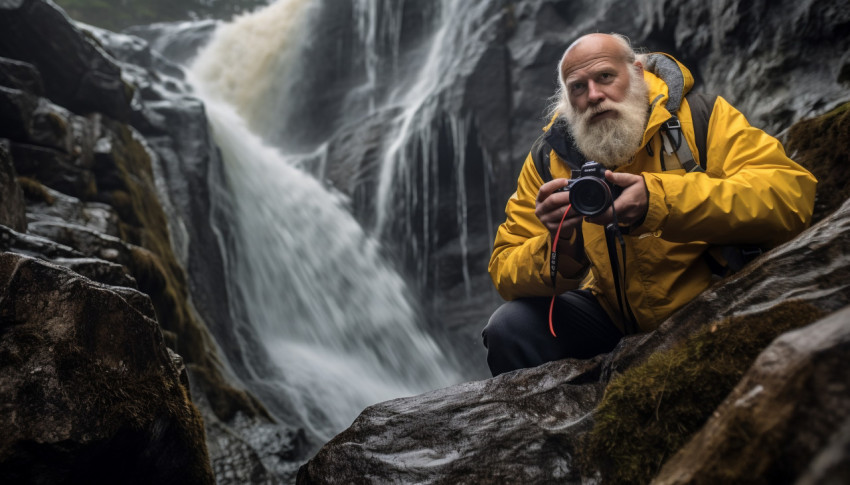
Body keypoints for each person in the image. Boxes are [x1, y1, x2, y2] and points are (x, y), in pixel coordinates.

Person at [482, 33, 817, 377]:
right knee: (510, 327)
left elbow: (790, 194)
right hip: (612, 315)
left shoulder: (701, 118)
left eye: (605, 77)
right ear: (567, 101)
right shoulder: (547, 160)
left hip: (716, 298)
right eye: (578, 88)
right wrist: (563, 247)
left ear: (638, 73)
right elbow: (504, 267)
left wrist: (657, 201)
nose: (594, 95)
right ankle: (562, 426)